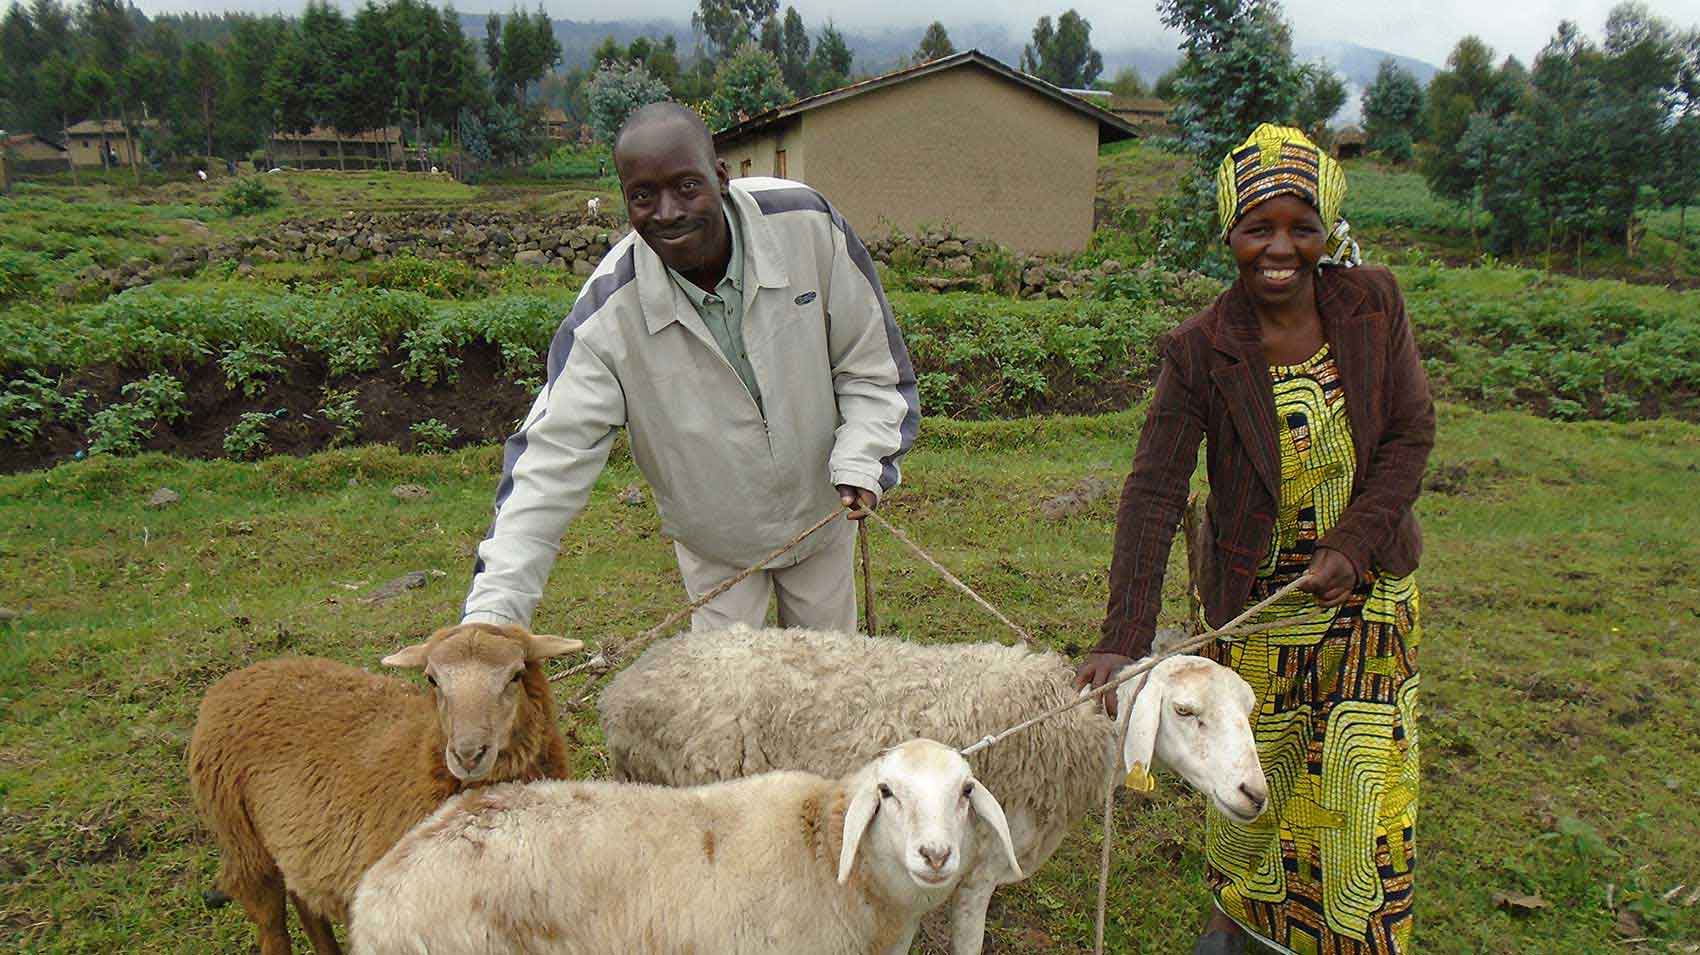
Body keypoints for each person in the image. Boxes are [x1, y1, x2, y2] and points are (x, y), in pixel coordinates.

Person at [1076, 124, 1434, 955]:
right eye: (1257, 228)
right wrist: (1121, 639)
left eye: (1300, 226)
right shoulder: (1202, 350)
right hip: (1257, 617)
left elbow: (1410, 435)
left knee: (1356, 797)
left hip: (1368, 607)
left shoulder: (1373, 304)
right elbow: (1155, 491)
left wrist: (1354, 540)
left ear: (1326, 231)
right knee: (1248, 789)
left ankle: (1351, 937)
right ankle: (1243, 926)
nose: (1280, 248)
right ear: (1229, 235)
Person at [459, 101, 918, 634]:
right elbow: (546, 464)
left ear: (721, 176)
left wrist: (864, 460)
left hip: (822, 519)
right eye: (642, 196)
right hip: (715, 543)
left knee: (829, 690)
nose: (668, 213)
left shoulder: (806, 226)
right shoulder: (607, 316)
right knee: (724, 704)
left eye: (686, 186)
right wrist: (492, 616)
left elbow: (872, 366)